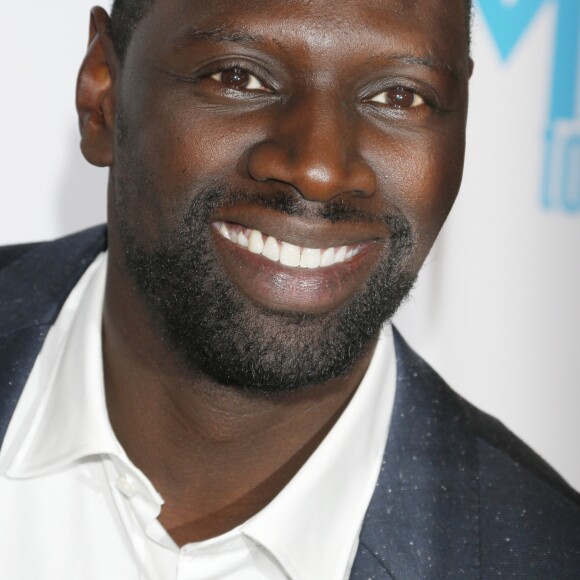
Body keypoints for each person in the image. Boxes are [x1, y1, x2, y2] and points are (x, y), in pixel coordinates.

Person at [0, 0, 578, 577]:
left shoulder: (543, 555)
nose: (319, 168)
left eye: (399, 96)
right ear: (102, 94)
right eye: (239, 77)